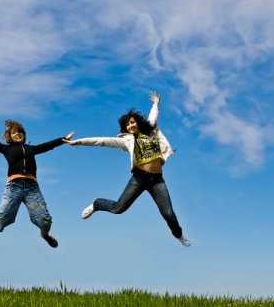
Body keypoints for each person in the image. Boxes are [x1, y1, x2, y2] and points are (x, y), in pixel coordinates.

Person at [63, 92, 191, 247]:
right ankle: (97, 204)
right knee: (118, 209)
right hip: (140, 177)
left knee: (168, 214)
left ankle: (178, 235)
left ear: (137, 121)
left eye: (132, 122)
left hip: (157, 179)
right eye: (127, 125)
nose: (130, 126)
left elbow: (153, 116)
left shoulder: (151, 131)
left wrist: (156, 104)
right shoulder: (128, 141)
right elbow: (102, 141)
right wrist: (78, 142)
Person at [0, 120, 74, 248]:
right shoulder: (6, 149)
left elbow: (47, 146)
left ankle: (45, 235)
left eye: (20, 132)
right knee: (3, 214)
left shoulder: (31, 149)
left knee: (45, 219)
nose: (18, 134)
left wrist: (63, 139)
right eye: (14, 133)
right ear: (10, 136)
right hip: (14, 186)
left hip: (32, 188)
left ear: (23, 135)